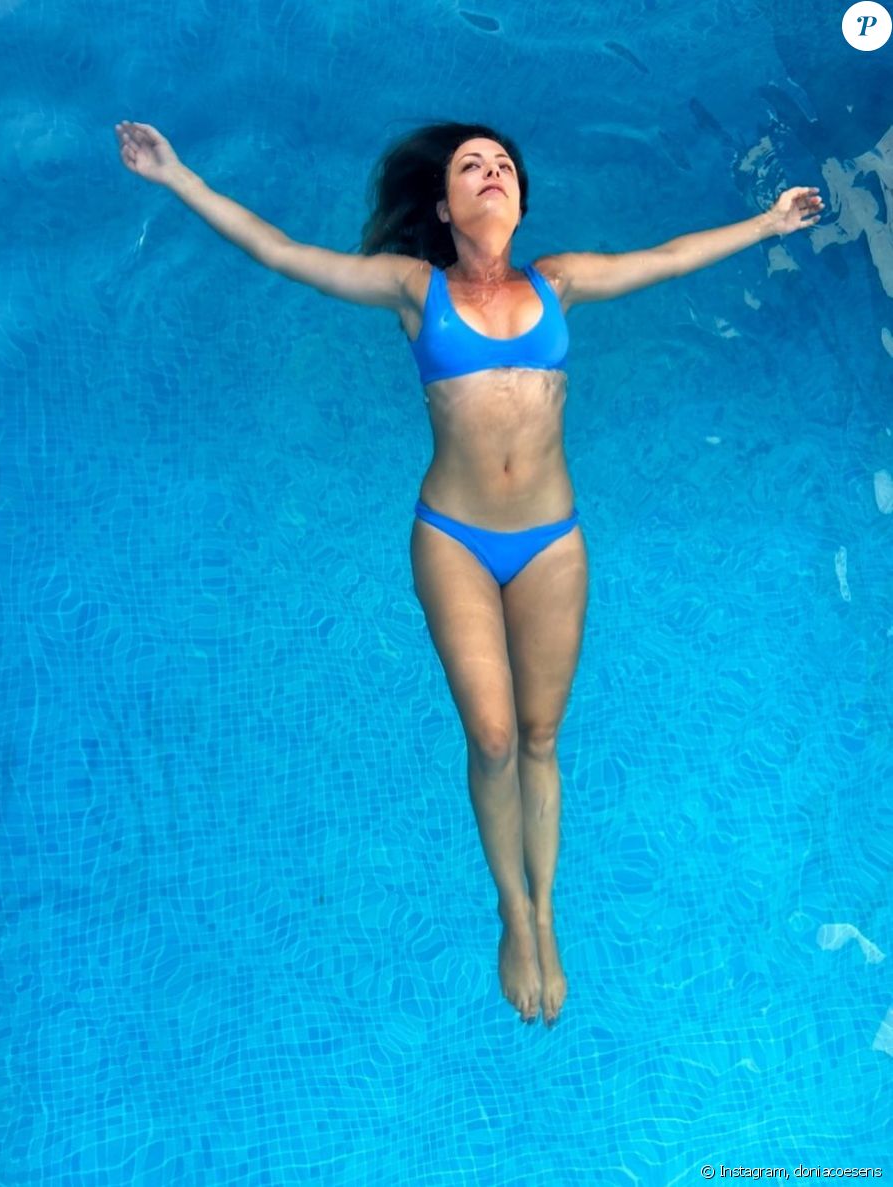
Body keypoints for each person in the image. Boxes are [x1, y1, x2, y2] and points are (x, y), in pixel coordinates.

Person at [114, 119, 823, 1027]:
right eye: (469, 166)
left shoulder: (558, 281)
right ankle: (512, 912)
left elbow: (669, 257)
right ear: (446, 209)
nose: (490, 172)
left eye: (502, 166)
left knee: (539, 735)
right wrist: (177, 175)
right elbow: (284, 253)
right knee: (491, 738)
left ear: (519, 201)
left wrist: (768, 223)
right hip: (454, 537)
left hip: (550, 541)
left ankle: (548, 913)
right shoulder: (417, 291)